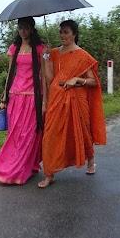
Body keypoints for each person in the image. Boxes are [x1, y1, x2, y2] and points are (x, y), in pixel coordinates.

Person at [38, 20, 106, 188]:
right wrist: (45, 58)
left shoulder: (83, 55)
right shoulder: (52, 53)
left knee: (82, 132)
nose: (62, 35)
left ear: (74, 34)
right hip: (56, 98)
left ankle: (90, 161)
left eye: (66, 32)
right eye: (61, 32)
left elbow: (93, 82)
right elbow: (48, 79)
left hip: (77, 99)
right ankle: (49, 173)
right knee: (50, 135)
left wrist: (77, 79)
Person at [0, 16, 46, 184]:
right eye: (20, 28)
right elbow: (10, 73)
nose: (23, 31)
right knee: (15, 134)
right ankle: (10, 168)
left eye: (26, 27)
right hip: (15, 96)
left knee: (29, 134)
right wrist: (4, 96)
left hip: (32, 97)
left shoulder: (40, 49)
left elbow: (44, 76)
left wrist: (45, 100)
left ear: (32, 28)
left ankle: (25, 168)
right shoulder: (14, 48)